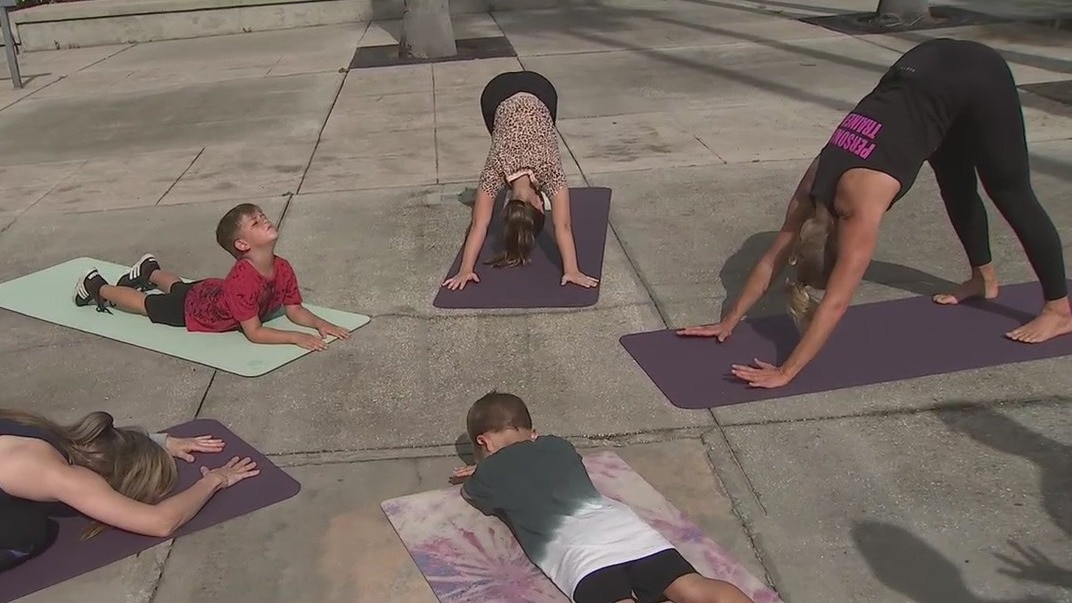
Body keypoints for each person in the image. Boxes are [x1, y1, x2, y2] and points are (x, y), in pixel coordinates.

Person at [678, 38, 1072, 389]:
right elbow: (772, 260)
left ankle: (1059, 309)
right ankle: (982, 278)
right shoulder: (810, 194)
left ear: (840, 245)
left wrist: (786, 372)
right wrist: (729, 320)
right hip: (920, 68)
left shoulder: (860, 208)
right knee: (954, 181)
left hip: (975, 73)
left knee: (1009, 190)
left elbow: (835, 303)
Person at [450, 392, 754, 603]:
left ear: (484, 442)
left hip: (583, 558)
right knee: (693, 588)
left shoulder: (487, 475)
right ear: (534, 434)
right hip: (632, 535)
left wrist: (480, 470)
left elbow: (472, 494)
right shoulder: (559, 446)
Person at [0, 409, 258, 574]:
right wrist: (214, 480)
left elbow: (97, 435)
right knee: (26, 530)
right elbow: (160, 522)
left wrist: (160, 440)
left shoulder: (28, 425)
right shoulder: (62, 477)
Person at [72, 202, 350, 352]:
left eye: (262, 216)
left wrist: (321, 324)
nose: (265, 220)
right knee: (147, 305)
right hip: (196, 312)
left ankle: (149, 271)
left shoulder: (283, 267)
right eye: (256, 222)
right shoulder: (244, 280)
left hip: (210, 291)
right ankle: (98, 287)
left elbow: (295, 309)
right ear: (242, 245)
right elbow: (253, 333)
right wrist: (294, 338)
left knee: (181, 286)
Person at [441, 71, 599, 291]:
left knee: (503, 133)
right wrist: (570, 270)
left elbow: (480, 224)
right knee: (502, 132)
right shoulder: (498, 170)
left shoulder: (547, 171)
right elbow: (561, 226)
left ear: (537, 203)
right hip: (509, 91)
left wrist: (466, 269)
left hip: (526, 90)